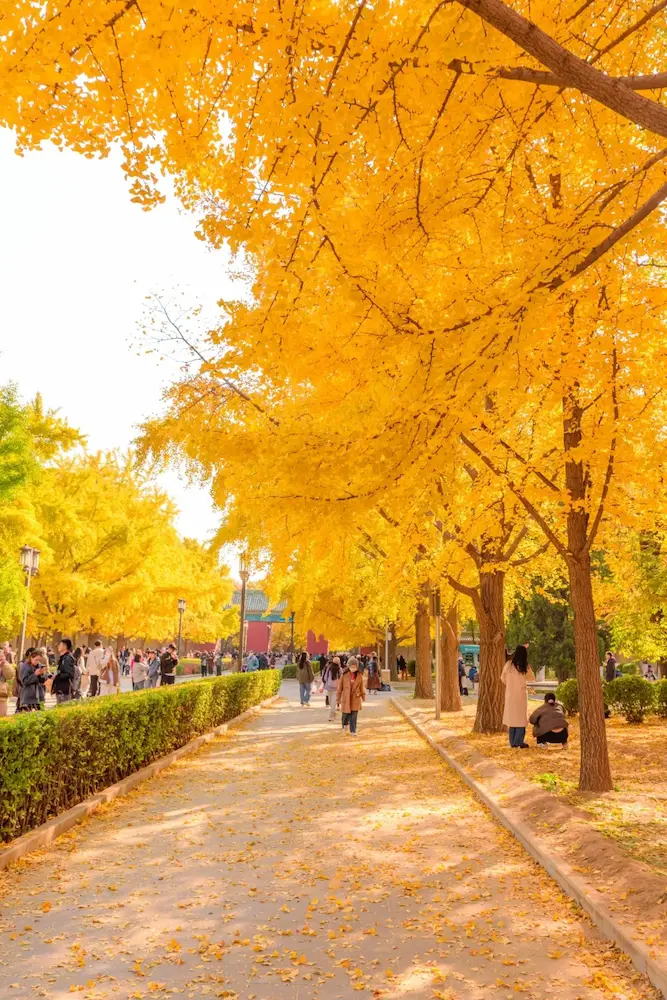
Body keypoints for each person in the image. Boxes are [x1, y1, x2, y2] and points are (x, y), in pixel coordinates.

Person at [501, 645, 535, 749]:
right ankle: (519, 741)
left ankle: (513, 742)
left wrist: (510, 684)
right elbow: (532, 678)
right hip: (520, 696)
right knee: (520, 719)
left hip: (510, 695)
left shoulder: (508, 664)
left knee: (512, 719)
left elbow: (502, 678)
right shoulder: (525, 666)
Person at [337, 656, 365, 735]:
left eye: (355, 666)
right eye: (352, 666)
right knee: (345, 714)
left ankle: (353, 730)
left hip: (355, 697)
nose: (353, 668)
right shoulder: (344, 675)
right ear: (349, 666)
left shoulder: (359, 675)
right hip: (346, 697)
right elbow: (340, 687)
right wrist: (338, 698)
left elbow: (361, 686)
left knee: (354, 715)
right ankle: (344, 725)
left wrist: (363, 696)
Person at [52, 638, 76, 704]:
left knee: (62, 708)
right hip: (61, 688)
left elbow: (69, 674)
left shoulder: (67, 658)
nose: (58, 646)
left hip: (64, 689)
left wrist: (57, 676)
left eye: (60, 645)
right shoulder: (63, 658)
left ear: (65, 646)